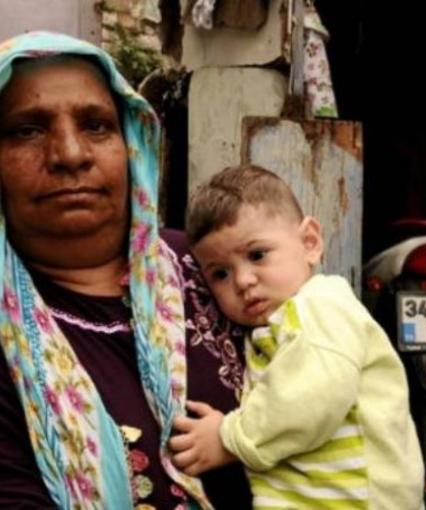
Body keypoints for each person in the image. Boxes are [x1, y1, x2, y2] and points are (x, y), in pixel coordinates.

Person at [0, 32, 253, 508]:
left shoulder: (214, 267)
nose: (70, 154)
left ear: (132, 142)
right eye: (27, 130)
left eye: (96, 125)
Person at [168, 165, 425, 509]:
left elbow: (308, 399)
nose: (242, 281)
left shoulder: (322, 308)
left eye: (257, 255)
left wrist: (227, 438)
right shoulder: (278, 324)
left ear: (310, 242)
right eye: (220, 274)